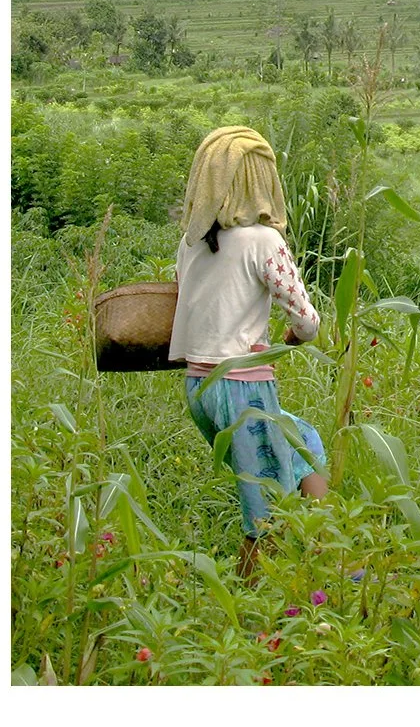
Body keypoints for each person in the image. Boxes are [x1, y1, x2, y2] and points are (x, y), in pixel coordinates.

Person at [168, 126, 327, 577]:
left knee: (305, 444)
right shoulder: (263, 241)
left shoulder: (192, 243)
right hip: (244, 392)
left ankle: (329, 547)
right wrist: (289, 341)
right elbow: (308, 323)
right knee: (266, 511)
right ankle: (254, 602)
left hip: (200, 386)